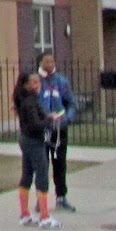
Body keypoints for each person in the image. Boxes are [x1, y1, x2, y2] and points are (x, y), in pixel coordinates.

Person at [12, 70, 64, 229]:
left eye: (38, 82)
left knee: (26, 175)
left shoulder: (28, 100)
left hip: (26, 139)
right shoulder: (29, 102)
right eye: (34, 83)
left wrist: (48, 116)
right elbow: (36, 125)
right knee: (41, 176)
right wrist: (49, 119)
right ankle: (44, 216)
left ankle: (25, 214)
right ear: (26, 85)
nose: (38, 85)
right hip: (34, 141)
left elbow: (36, 119)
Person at [37, 51, 77, 211]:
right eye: (46, 61)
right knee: (42, 164)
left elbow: (71, 104)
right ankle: (41, 199)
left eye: (52, 61)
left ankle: (61, 197)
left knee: (59, 163)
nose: (50, 64)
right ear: (40, 63)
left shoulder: (62, 82)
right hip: (43, 129)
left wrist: (67, 119)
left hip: (60, 130)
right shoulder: (36, 81)